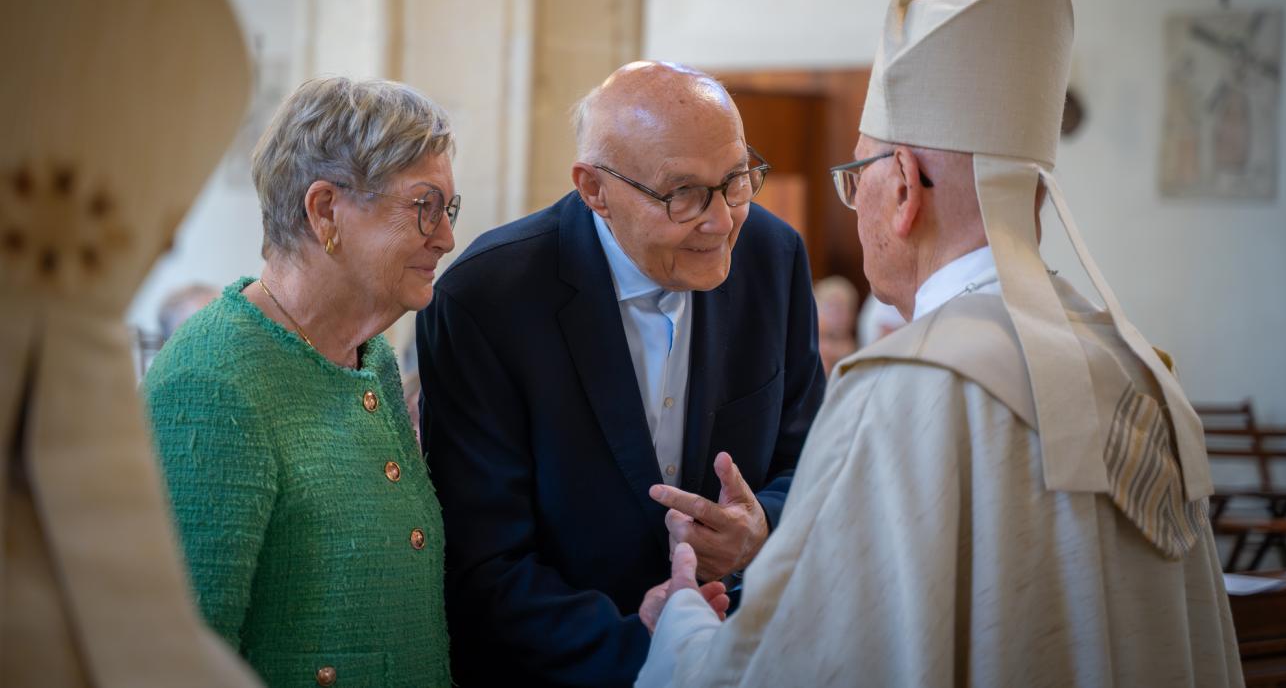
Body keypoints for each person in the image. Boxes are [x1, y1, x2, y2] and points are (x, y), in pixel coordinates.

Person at [636, 0, 1243, 687]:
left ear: (902, 191)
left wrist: (684, 631)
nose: (856, 209)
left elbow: (798, 668)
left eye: (856, 178)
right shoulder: (1131, 364)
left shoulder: (905, 389)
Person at [417, 61, 825, 687]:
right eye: (682, 193)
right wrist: (651, 652)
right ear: (594, 190)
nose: (721, 221)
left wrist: (760, 526)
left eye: (737, 179)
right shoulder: (488, 298)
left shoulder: (773, 255)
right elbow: (483, 562)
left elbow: (811, 458)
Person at [145, 77, 459, 687]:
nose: (445, 237)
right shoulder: (213, 384)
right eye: (423, 207)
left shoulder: (367, 359)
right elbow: (181, 659)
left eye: (448, 210)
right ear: (324, 211)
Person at [811, 275, 858, 374]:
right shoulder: (810, 341)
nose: (840, 316)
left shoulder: (851, 348)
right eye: (832, 307)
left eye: (847, 309)